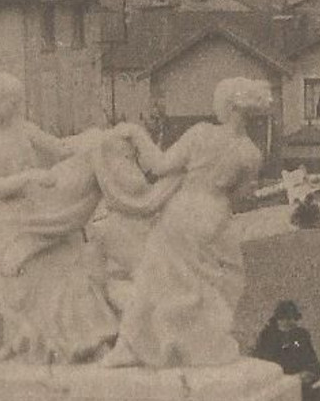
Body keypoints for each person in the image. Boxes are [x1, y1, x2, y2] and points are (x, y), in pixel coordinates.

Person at [100, 77, 270, 368]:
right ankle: (199, 345)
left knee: (155, 279)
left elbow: (160, 165)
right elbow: (243, 195)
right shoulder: (251, 153)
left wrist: (137, 134)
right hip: (215, 215)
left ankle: (132, 345)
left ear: (226, 106)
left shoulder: (201, 133)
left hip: (184, 211)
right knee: (207, 285)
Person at [0, 71, 117, 365]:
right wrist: (30, 176)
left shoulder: (23, 128)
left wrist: (94, 139)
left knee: (72, 272)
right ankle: (37, 343)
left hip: (43, 210)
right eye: (12, 102)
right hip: (12, 222)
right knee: (34, 280)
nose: (17, 107)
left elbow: (59, 148)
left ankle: (92, 341)